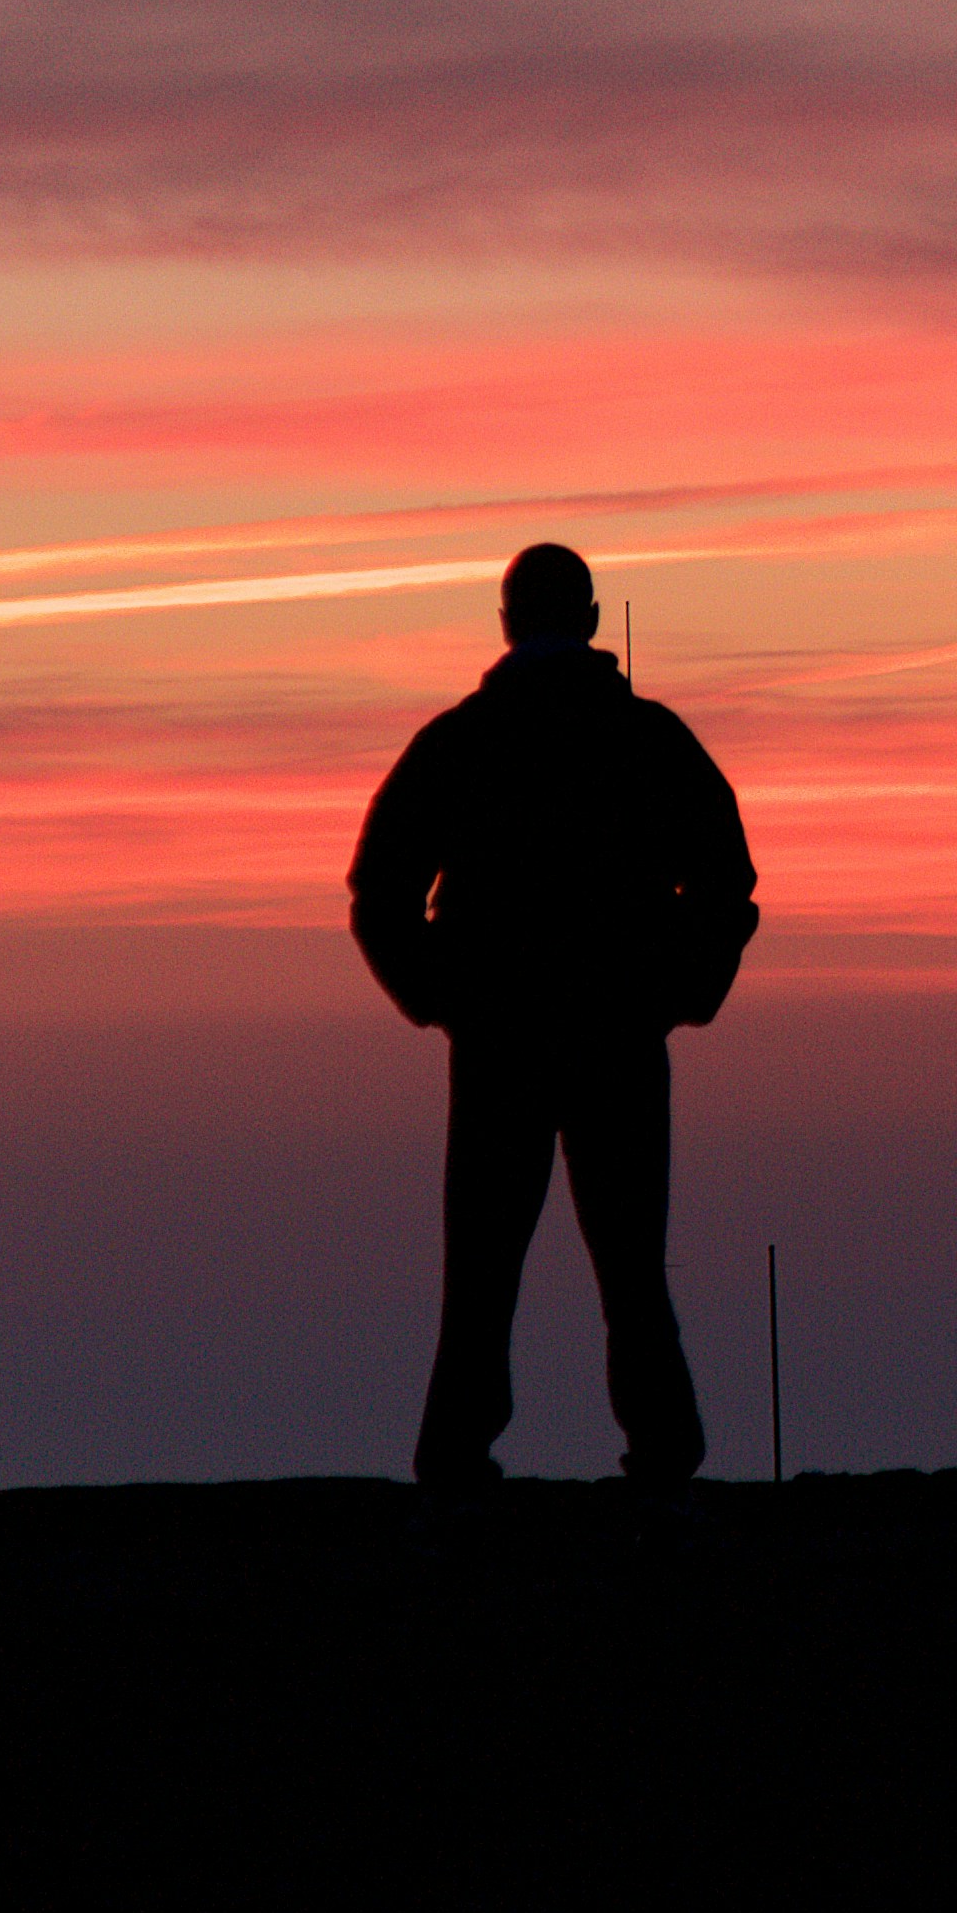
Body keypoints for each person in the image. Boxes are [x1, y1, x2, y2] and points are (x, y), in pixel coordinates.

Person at [347, 542, 759, 1487]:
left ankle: (456, 1456)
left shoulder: (460, 743)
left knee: (485, 1267)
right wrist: (678, 990)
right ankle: (663, 1451)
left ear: (505, 623)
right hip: (617, 1035)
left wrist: (444, 997)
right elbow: (727, 883)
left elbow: (380, 893)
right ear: (589, 618)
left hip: (500, 1042)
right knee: (631, 1265)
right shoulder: (650, 739)